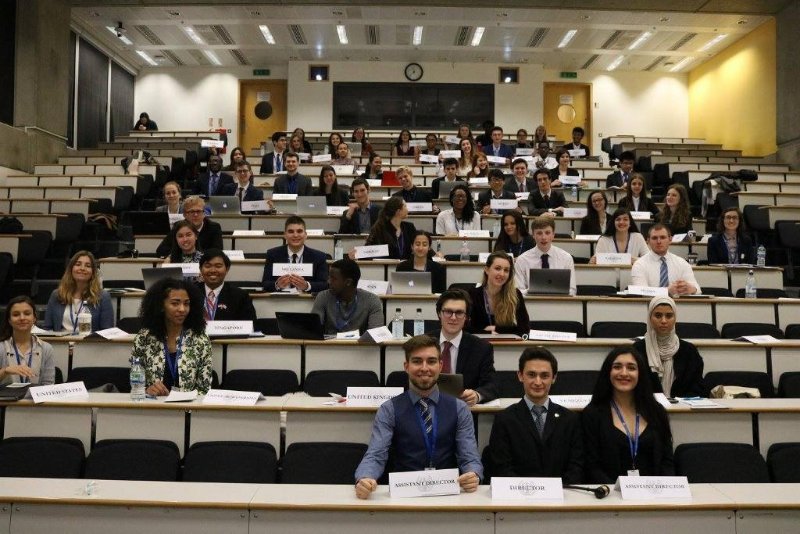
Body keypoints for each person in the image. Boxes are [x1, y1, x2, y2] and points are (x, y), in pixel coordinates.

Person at [354, 335, 483, 499]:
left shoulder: (460, 408)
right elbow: (376, 454)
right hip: (403, 494)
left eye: (431, 361)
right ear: (406, 367)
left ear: (440, 366)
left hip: (448, 493)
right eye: (417, 361)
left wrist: (473, 474)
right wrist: (364, 478)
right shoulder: (389, 409)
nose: (424, 368)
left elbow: (469, 456)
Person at [488, 347, 583, 483]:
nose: (538, 382)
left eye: (544, 376)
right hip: (519, 498)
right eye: (531, 375)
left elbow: (576, 466)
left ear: (554, 378)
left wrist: (558, 491)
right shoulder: (504, 419)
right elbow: (501, 466)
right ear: (520, 376)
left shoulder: (570, 419)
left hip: (562, 497)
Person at [582, 346, 675, 483]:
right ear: (608, 372)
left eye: (631, 368)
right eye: (617, 367)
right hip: (611, 496)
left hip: (654, 496)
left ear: (640, 374)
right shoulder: (592, 414)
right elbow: (591, 466)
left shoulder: (656, 411)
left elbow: (667, 461)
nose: (624, 373)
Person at [131, 278, 213, 395]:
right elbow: (136, 382)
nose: (182, 309)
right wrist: (145, 391)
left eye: (186, 304)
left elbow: (204, 389)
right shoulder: (144, 337)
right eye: (175, 303)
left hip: (188, 409)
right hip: (153, 407)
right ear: (160, 306)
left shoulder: (200, 338)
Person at [426, 290, 498, 405]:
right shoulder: (423, 343)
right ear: (439, 313)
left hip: (463, 412)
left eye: (459, 313)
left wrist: (477, 395)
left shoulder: (481, 348)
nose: (453, 318)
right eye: (448, 312)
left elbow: (491, 384)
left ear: (466, 317)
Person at [633, 296, 704, 398]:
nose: (663, 321)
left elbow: (697, 388)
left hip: (682, 409)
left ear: (675, 318)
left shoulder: (689, 351)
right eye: (658, 315)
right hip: (647, 409)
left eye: (669, 316)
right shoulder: (637, 350)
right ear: (649, 318)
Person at [43, 251, 114, 333]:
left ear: (93, 273)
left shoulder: (102, 296)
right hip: (61, 344)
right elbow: (47, 328)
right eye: (78, 264)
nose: (82, 268)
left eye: (88, 266)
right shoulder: (57, 295)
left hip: (91, 344)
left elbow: (107, 331)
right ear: (71, 269)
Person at [312, 258, 384, 335]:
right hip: (329, 345)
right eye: (329, 277)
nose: (329, 281)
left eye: (333, 279)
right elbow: (312, 329)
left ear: (348, 282)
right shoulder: (323, 297)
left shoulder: (372, 300)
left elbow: (376, 333)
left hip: (360, 346)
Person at [467, 252, 529, 337]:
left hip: (507, 346)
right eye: (497, 268)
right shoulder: (473, 294)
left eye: (506, 270)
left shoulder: (515, 295)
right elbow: (466, 328)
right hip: (479, 344)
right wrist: (486, 332)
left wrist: (495, 329)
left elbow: (524, 329)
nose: (502, 274)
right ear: (487, 270)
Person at [262, 215, 329, 292]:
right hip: (280, 300)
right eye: (291, 231)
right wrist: (277, 285)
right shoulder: (272, 254)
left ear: (305, 235)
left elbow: (324, 285)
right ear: (285, 235)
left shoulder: (319, 257)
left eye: (299, 231)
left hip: (307, 301)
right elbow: (265, 284)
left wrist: (307, 286)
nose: (295, 235)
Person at [630, 223, 700, 296]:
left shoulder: (682, 263)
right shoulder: (639, 264)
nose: (659, 241)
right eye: (654, 238)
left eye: (663, 237)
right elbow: (640, 292)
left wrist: (690, 288)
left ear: (670, 239)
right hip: (649, 306)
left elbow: (698, 289)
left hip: (679, 305)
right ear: (648, 241)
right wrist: (667, 291)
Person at [514, 217, 577, 296]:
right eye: (539, 233)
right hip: (532, 304)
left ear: (553, 235)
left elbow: (572, 290)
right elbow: (518, 291)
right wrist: (533, 290)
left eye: (547, 233)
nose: (543, 237)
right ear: (533, 235)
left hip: (559, 304)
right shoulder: (522, 260)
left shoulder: (566, 258)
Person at [1, 296, 55, 385]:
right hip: (6, 398)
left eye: (27, 313)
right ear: (9, 320)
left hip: (35, 398)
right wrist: (5, 371)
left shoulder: (46, 348)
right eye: (16, 314)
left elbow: (48, 384)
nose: (22, 318)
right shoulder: (1, 347)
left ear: (34, 318)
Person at [196, 249, 256, 322]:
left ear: (227, 269)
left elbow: (250, 326)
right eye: (208, 266)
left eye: (218, 266)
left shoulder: (241, 296)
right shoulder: (191, 293)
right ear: (200, 269)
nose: (213, 270)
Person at [155, 196, 223, 258]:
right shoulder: (178, 226)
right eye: (192, 211)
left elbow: (217, 252)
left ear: (204, 214)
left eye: (198, 211)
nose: (195, 215)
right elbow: (161, 250)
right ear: (184, 215)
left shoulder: (214, 227)